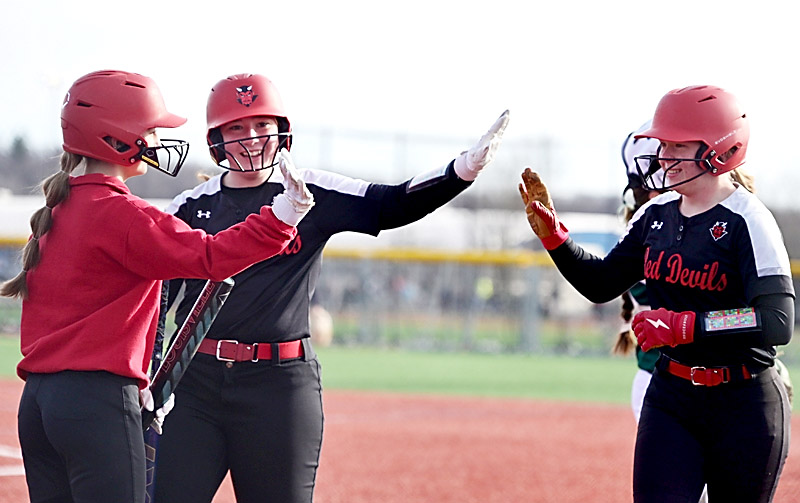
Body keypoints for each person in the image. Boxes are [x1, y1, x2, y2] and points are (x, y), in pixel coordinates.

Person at [153, 73, 509, 503]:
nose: (252, 137)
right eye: (237, 127)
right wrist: (151, 377)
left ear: (282, 130)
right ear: (216, 138)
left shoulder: (308, 190)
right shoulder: (190, 206)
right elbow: (155, 299)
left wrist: (462, 170)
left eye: (262, 124)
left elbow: (391, 203)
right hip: (195, 383)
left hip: (279, 385)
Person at [0, 69, 314, 503]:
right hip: (96, 404)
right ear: (116, 138)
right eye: (149, 131)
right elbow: (211, 257)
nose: (155, 140)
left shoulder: (58, 210)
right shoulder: (124, 214)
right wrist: (282, 217)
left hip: (38, 403)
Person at [520, 85, 793, 502]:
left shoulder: (749, 220)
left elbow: (776, 321)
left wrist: (687, 326)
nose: (664, 156)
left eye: (677, 145)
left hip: (745, 403)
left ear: (720, 149)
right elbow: (600, 284)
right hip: (672, 396)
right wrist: (556, 238)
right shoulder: (654, 215)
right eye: (663, 144)